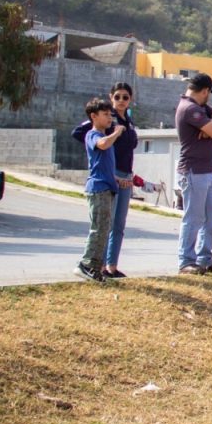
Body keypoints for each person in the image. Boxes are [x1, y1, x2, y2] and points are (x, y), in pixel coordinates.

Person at [70, 83, 139, 277]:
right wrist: (105, 140)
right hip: (107, 176)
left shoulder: (128, 120)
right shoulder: (104, 124)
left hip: (123, 174)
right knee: (102, 225)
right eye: (117, 97)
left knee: (117, 225)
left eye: (126, 97)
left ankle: (110, 266)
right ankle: (93, 265)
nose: (121, 101)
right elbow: (80, 133)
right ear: (111, 97)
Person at [175, 72, 212, 275]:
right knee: (193, 218)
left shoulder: (201, 108)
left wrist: (211, 124)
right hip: (193, 171)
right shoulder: (190, 109)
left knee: (211, 218)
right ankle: (186, 260)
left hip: (207, 171)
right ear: (205, 91)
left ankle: (205, 258)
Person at [75, 98, 126, 284]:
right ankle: (86, 264)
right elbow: (103, 144)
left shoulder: (105, 137)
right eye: (105, 114)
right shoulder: (93, 135)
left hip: (108, 186)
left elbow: (103, 165)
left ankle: (94, 268)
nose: (109, 118)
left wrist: (117, 179)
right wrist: (117, 132)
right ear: (93, 116)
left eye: (110, 114)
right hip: (98, 188)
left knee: (104, 229)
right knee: (99, 228)